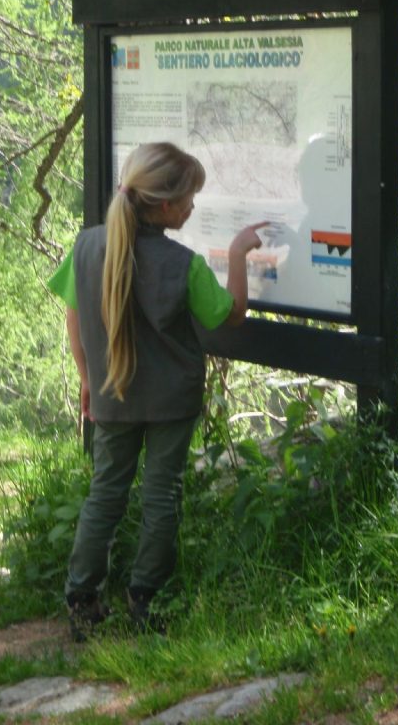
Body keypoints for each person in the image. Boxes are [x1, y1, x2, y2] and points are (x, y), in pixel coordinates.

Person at [48, 141, 266, 639]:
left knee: (105, 492)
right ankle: (145, 600)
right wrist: (237, 253)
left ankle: (82, 599)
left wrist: (87, 378)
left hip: (111, 390)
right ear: (164, 205)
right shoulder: (181, 264)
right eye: (189, 198)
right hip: (171, 400)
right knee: (161, 494)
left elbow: (74, 314)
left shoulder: (87, 246)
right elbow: (228, 314)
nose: (192, 207)